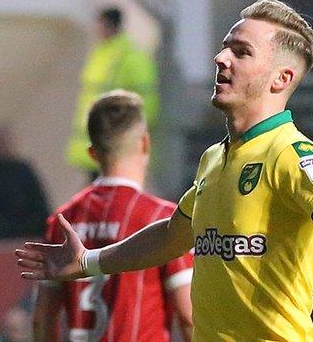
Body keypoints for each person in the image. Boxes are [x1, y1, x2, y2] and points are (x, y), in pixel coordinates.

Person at [17, 0, 313, 341]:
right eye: (226, 46)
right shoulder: (214, 157)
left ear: (281, 79)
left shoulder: (293, 154)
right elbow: (172, 235)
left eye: (241, 52)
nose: (221, 58)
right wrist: (88, 261)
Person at [32, 90, 193, 341]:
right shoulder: (164, 219)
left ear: (92, 153)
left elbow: (42, 317)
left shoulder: (63, 221)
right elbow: (189, 317)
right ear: (145, 143)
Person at [67, 7, 160, 179]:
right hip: (97, 139)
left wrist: (133, 133)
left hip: (113, 141)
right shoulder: (100, 54)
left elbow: (146, 100)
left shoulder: (130, 58)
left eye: (100, 24)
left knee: (109, 192)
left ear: (110, 26)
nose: (97, 30)